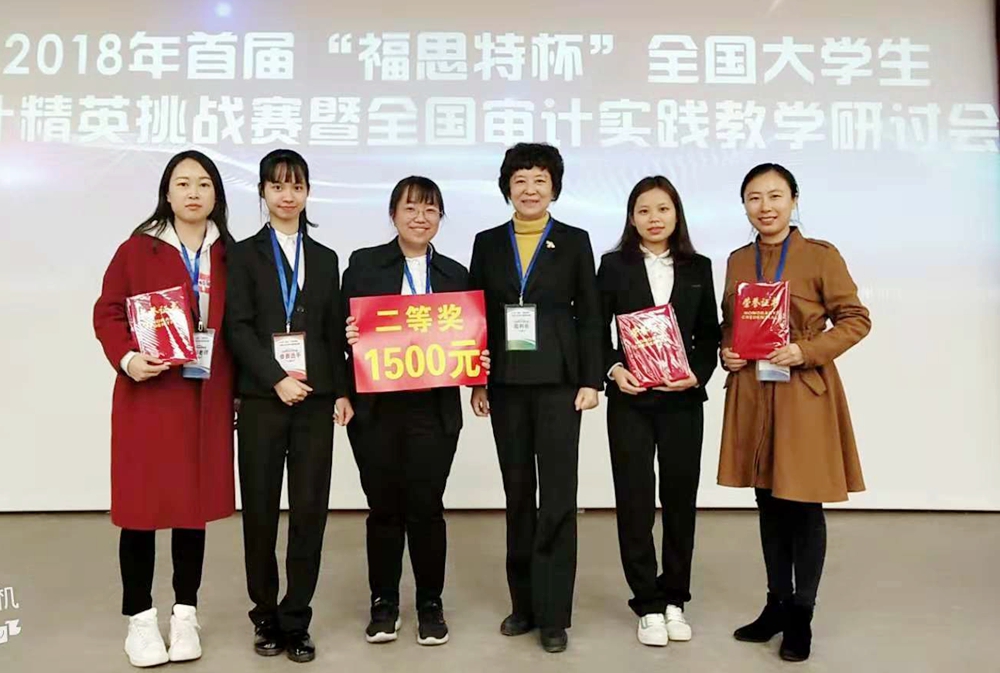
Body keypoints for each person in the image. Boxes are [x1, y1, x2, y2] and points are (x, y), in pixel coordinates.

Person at [719, 163, 871, 662]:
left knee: (803, 504)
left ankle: (802, 614)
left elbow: (855, 319)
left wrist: (806, 350)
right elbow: (729, 323)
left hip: (802, 391)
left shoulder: (820, 256)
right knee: (766, 500)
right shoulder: (738, 260)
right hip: (753, 392)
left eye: (775, 196)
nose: (765, 207)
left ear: (794, 200)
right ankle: (776, 604)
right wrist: (727, 351)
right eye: (754, 198)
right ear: (744, 205)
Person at [93, 150, 236, 668]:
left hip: (205, 397)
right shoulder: (138, 248)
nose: (193, 192)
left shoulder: (231, 254)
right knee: (142, 509)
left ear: (217, 194)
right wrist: (128, 358)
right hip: (149, 396)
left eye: (203, 183)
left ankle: (184, 614)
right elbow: (108, 311)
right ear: (167, 193)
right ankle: (139, 619)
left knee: (190, 510)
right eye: (183, 183)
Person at [341, 176, 491, 647]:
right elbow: (337, 330)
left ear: (440, 218)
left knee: (427, 508)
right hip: (376, 408)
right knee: (384, 508)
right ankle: (383, 602)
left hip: (433, 409)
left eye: (430, 210)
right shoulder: (364, 265)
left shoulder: (455, 274)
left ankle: (430, 603)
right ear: (393, 215)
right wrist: (349, 337)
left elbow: (471, 337)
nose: (420, 218)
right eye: (410, 208)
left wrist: (479, 375)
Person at [468, 142, 603, 654]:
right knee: (518, 494)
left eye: (540, 180)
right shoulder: (487, 242)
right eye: (520, 180)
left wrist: (591, 380)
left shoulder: (574, 240)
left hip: (559, 384)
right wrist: (476, 380)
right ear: (507, 187)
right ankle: (523, 605)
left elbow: (590, 314)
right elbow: (475, 315)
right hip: (506, 384)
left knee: (559, 497)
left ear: (554, 188)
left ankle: (554, 614)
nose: (529, 189)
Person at [226, 149, 354, 664]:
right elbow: (237, 327)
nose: (287, 195)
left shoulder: (324, 258)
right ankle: (264, 615)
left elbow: (331, 331)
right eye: (277, 186)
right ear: (262, 191)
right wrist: (276, 378)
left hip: (315, 401)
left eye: (296, 186)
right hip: (263, 400)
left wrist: (340, 390)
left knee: (309, 512)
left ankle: (297, 617)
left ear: (307, 193)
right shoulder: (241, 254)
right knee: (259, 511)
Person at [597, 176, 721, 647]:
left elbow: (709, 333)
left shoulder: (698, 266)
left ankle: (675, 599)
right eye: (644, 210)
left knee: (680, 500)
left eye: (663, 209)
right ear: (632, 218)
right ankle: (647, 603)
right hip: (630, 400)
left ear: (676, 214)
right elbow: (594, 328)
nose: (654, 218)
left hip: (682, 401)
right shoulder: (613, 265)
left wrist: (697, 374)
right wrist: (613, 369)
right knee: (633, 501)